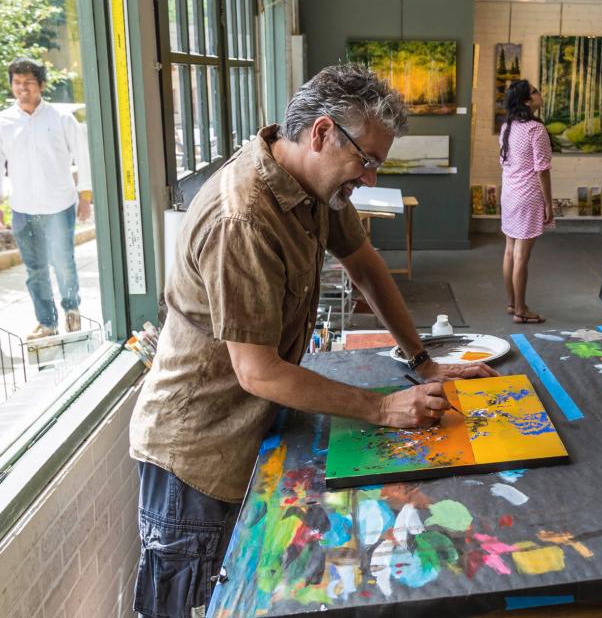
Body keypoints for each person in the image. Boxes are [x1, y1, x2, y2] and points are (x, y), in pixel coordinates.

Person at [129, 64, 499, 618]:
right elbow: (258, 371)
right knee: (199, 606)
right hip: (199, 456)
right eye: (367, 160)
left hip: (249, 428)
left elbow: (367, 267)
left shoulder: (313, 186)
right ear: (322, 133)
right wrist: (380, 407)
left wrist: (423, 363)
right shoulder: (244, 218)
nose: (370, 177)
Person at [0, 57, 93, 340]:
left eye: (28, 83)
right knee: (35, 270)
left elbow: (83, 158)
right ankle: (46, 322)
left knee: (63, 264)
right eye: (17, 83)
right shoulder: (1, 122)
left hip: (58, 205)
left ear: (41, 85)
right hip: (23, 207)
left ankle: (72, 311)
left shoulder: (60, 118)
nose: (22, 88)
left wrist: (85, 197)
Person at [498, 79, 553, 324]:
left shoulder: (507, 126)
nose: (539, 94)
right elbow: (542, 170)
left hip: (510, 193)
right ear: (528, 101)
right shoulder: (535, 129)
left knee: (510, 250)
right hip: (528, 196)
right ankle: (521, 309)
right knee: (521, 256)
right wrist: (549, 203)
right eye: (534, 91)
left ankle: (512, 303)